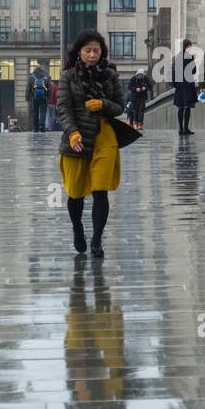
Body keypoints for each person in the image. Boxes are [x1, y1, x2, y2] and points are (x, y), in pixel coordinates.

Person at [57, 29, 127, 259]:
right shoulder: (68, 76)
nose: (92, 54)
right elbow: (63, 109)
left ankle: (97, 239)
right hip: (76, 139)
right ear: (79, 52)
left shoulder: (110, 75)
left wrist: (103, 104)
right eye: (87, 50)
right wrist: (72, 132)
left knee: (100, 190)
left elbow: (119, 106)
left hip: (104, 137)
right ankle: (78, 229)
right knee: (75, 193)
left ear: (102, 52)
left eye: (96, 50)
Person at [172, 39, 198, 136]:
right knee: (187, 107)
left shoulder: (177, 57)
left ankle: (180, 128)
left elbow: (174, 71)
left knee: (180, 107)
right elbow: (194, 71)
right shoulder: (189, 57)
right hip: (187, 84)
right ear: (188, 46)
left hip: (179, 85)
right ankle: (186, 128)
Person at [29, 64, 51, 132]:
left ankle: (35, 128)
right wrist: (48, 96)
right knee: (43, 112)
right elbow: (49, 87)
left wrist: (27, 97)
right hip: (43, 97)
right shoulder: (46, 76)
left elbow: (28, 88)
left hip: (34, 97)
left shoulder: (31, 76)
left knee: (35, 112)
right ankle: (42, 126)